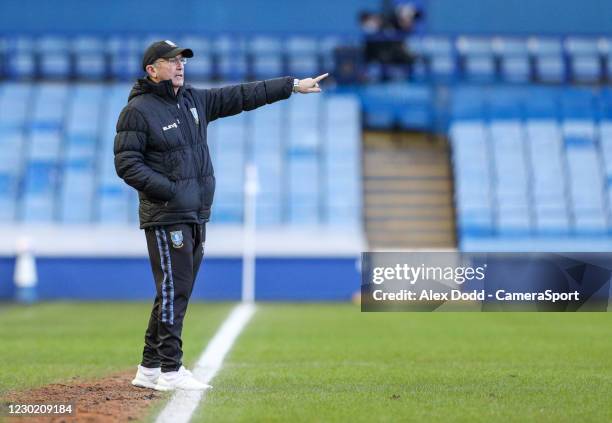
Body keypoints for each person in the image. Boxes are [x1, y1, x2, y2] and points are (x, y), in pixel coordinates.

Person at [114, 40, 328, 391]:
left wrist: (291, 86)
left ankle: (150, 368)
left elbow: (243, 96)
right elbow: (126, 164)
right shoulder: (138, 111)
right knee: (174, 290)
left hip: (194, 214)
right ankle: (171, 369)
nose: (180, 65)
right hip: (167, 215)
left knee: (173, 290)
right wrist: (169, 190)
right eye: (170, 61)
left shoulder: (193, 100)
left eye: (182, 60)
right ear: (152, 70)